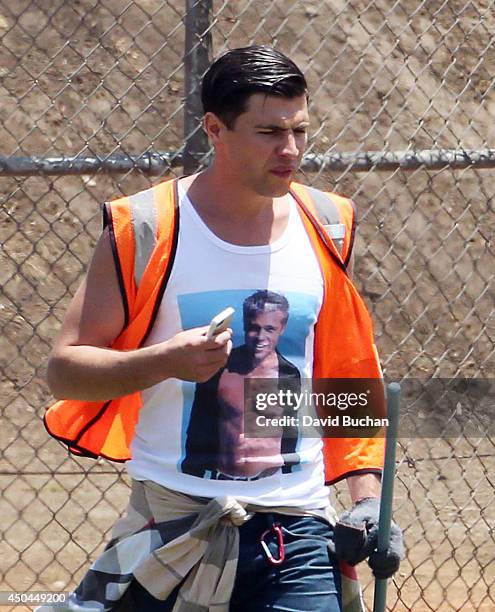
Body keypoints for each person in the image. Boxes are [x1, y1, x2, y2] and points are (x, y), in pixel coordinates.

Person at [42, 45, 404, 612]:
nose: (290, 151)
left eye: (300, 130)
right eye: (268, 132)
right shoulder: (147, 225)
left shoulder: (330, 223)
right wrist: (164, 362)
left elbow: (344, 373)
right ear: (214, 128)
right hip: (173, 522)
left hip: (299, 532)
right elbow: (66, 370)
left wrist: (365, 497)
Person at [181, 289, 301, 480]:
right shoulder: (220, 366)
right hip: (222, 477)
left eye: (270, 329)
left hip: (271, 482)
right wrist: (190, 476)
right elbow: (198, 425)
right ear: (245, 325)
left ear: (282, 328)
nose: (260, 336)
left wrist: (289, 477)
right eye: (254, 327)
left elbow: (290, 432)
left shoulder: (289, 373)